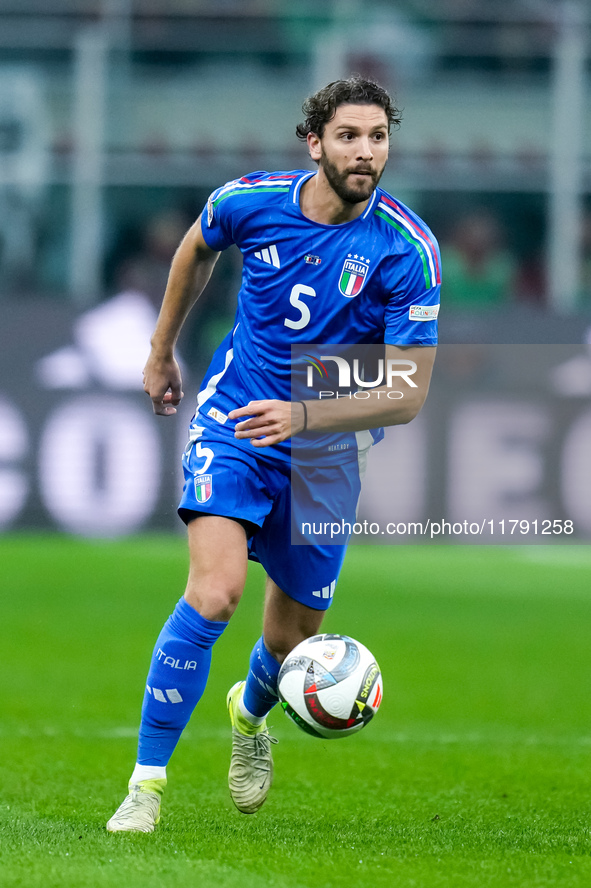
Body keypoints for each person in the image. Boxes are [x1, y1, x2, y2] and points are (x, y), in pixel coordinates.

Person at [106, 74, 440, 833]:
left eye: (378, 137)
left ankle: (249, 714)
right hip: (237, 418)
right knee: (216, 591)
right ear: (314, 142)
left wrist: (306, 410)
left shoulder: (405, 248)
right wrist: (161, 353)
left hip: (324, 449)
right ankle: (145, 785)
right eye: (349, 136)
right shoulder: (249, 202)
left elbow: (409, 390)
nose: (365, 152)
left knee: (293, 640)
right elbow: (196, 247)